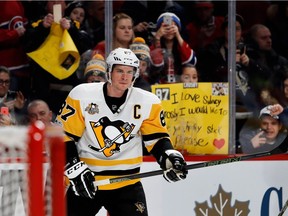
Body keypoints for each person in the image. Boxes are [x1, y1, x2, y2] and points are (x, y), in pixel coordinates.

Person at [55, 47, 187, 216]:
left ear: (135, 74)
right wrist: (74, 167)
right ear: (109, 71)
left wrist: (168, 156)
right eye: (119, 71)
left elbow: (156, 139)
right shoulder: (81, 95)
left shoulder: (148, 102)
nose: (125, 77)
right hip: (88, 181)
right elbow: (63, 135)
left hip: (127, 184)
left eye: (129, 72)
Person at [23, 1, 92, 115]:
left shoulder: (75, 25)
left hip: (68, 86)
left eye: (60, 0)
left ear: (65, 5)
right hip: (41, 86)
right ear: (46, 4)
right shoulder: (37, 23)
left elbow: (86, 45)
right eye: (52, 0)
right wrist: (43, 28)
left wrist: (71, 30)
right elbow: (27, 45)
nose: (56, 2)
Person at [150, 12, 197, 84]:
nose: (169, 29)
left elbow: (191, 61)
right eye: (165, 26)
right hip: (160, 86)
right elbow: (155, 64)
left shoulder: (181, 45)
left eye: (173, 26)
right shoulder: (154, 45)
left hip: (179, 86)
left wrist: (178, 35)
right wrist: (157, 37)